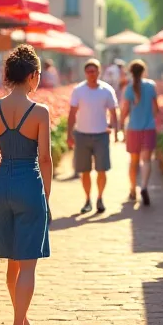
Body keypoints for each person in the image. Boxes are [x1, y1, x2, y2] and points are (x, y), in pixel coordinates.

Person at [0, 45, 51, 325]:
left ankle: (24, 323)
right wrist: (46, 196)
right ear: (33, 76)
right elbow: (46, 158)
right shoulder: (39, 112)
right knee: (27, 265)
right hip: (29, 185)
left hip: (2, 184)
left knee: (12, 263)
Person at [68, 59, 119, 214]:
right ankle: (87, 199)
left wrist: (113, 129)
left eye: (94, 71)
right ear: (85, 73)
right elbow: (72, 113)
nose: (92, 74)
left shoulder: (106, 90)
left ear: (99, 72)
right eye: (89, 71)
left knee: (102, 169)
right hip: (82, 135)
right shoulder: (78, 90)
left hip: (101, 135)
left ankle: (100, 198)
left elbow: (113, 112)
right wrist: (69, 134)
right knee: (84, 171)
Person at [120, 59, 158, 206]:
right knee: (146, 160)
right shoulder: (151, 86)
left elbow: (124, 110)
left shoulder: (128, 88)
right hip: (148, 127)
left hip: (133, 128)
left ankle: (132, 189)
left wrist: (120, 126)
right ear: (144, 71)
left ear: (131, 72)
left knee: (133, 161)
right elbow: (156, 108)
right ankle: (144, 187)